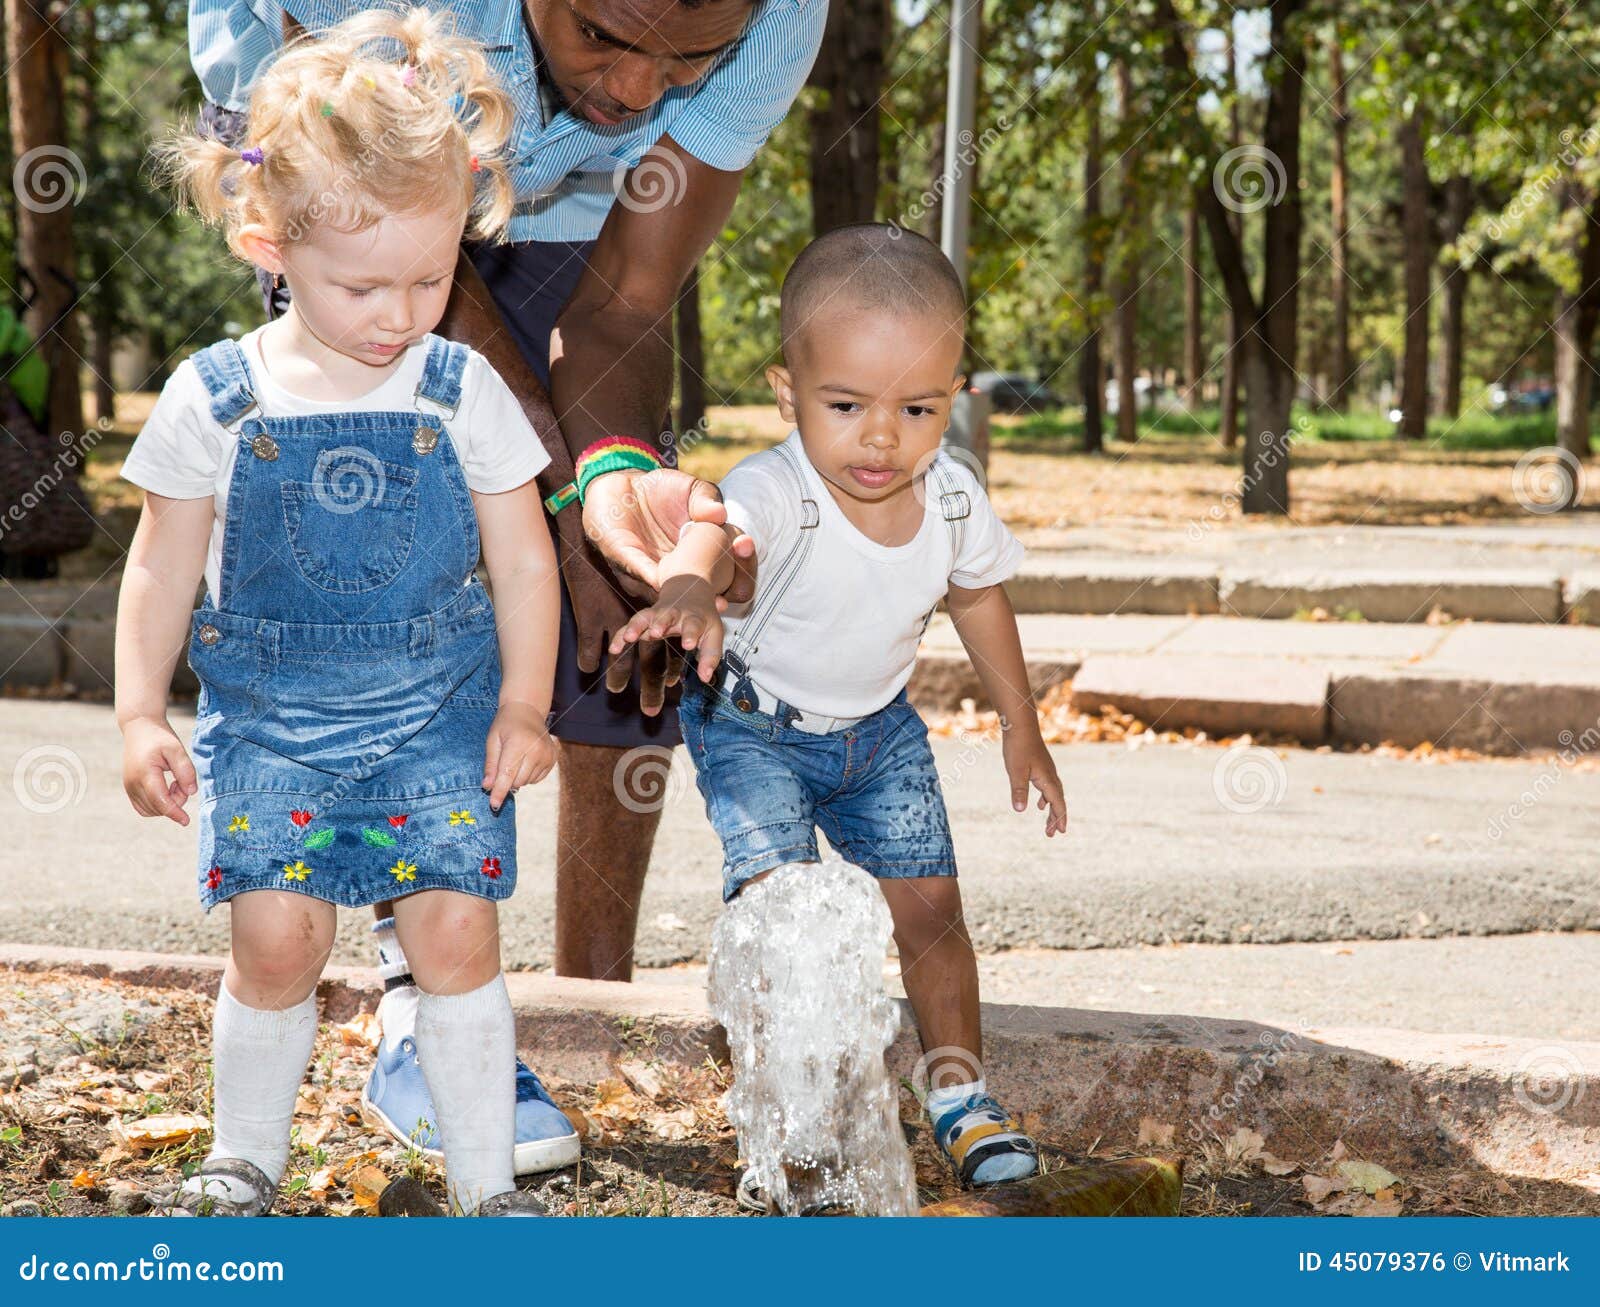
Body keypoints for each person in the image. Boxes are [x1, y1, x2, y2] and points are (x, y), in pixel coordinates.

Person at [186, 0, 826, 1172]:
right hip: (349, 130)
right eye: (601, 34)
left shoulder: (779, 11)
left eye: (693, 59)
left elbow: (625, 301)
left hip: (586, 210)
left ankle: (582, 997)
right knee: (391, 565)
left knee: (612, 587)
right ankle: (415, 1002)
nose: (638, 91)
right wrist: (537, 480)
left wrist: (608, 480)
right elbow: (415, 331)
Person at [117, 9, 558, 1215]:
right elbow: (160, 563)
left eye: (431, 276)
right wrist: (138, 712)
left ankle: (483, 1186)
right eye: (361, 283)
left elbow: (524, 559)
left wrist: (525, 700)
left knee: (457, 933)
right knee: (274, 939)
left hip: (436, 719)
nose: (399, 312)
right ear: (268, 240)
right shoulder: (218, 396)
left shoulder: (462, 389)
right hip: (270, 725)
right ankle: (245, 1153)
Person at [611, 224, 1069, 1208]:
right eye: (846, 404)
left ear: (955, 398)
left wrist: (1018, 719)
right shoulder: (778, 487)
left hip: (879, 735)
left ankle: (960, 1093)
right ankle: (793, 1117)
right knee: (783, 922)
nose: (880, 435)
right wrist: (690, 588)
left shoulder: (950, 496)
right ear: (788, 395)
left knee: (933, 911)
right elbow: (712, 530)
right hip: (752, 729)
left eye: (917, 407)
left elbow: (979, 596)